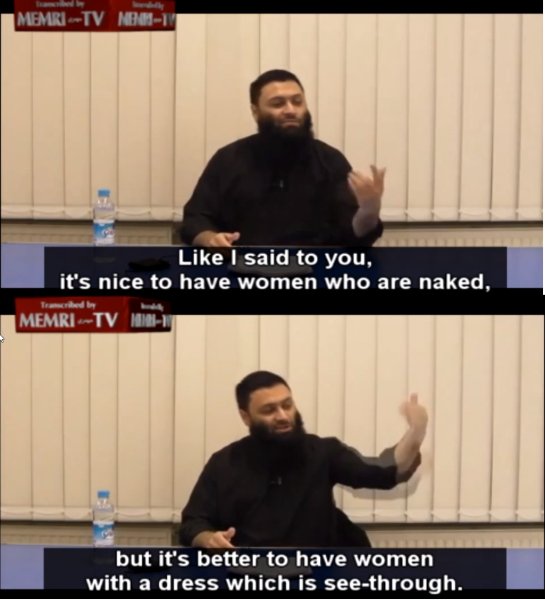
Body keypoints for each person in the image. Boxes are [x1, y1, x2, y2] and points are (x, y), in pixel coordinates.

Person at [180, 370, 427, 548]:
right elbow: (193, 522)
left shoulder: (323, 452)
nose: (283, 416)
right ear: (246, 417)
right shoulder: (224, 463)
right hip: (249, 574)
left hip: (319, 574)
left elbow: (382, 472)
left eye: (287, 405)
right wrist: (208, 539)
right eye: (269, 410)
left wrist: (416, 432)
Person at [178, 69, 386, 248]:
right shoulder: (228, 159)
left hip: (316, 272)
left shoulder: (330, 160)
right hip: (241, 270)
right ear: (255, 111)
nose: (290, 110)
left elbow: (353, 234)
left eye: (297, 102)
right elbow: (195, 219)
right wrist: (210, 238)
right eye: (278, 103)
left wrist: (369, 210)